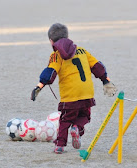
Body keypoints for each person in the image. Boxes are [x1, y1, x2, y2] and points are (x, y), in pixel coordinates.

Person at [31, 23, 117, 154]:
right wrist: (106, 81)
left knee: (65, 120)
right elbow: (97, 67)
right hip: (86, 93)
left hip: (70, 95)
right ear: (67, 36)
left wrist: (39, 86)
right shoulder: (82, 51)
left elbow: (50, 72)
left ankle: (60, 145)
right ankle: (77, 128)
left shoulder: (56, 55)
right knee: (85, 116)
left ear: (51, 41)